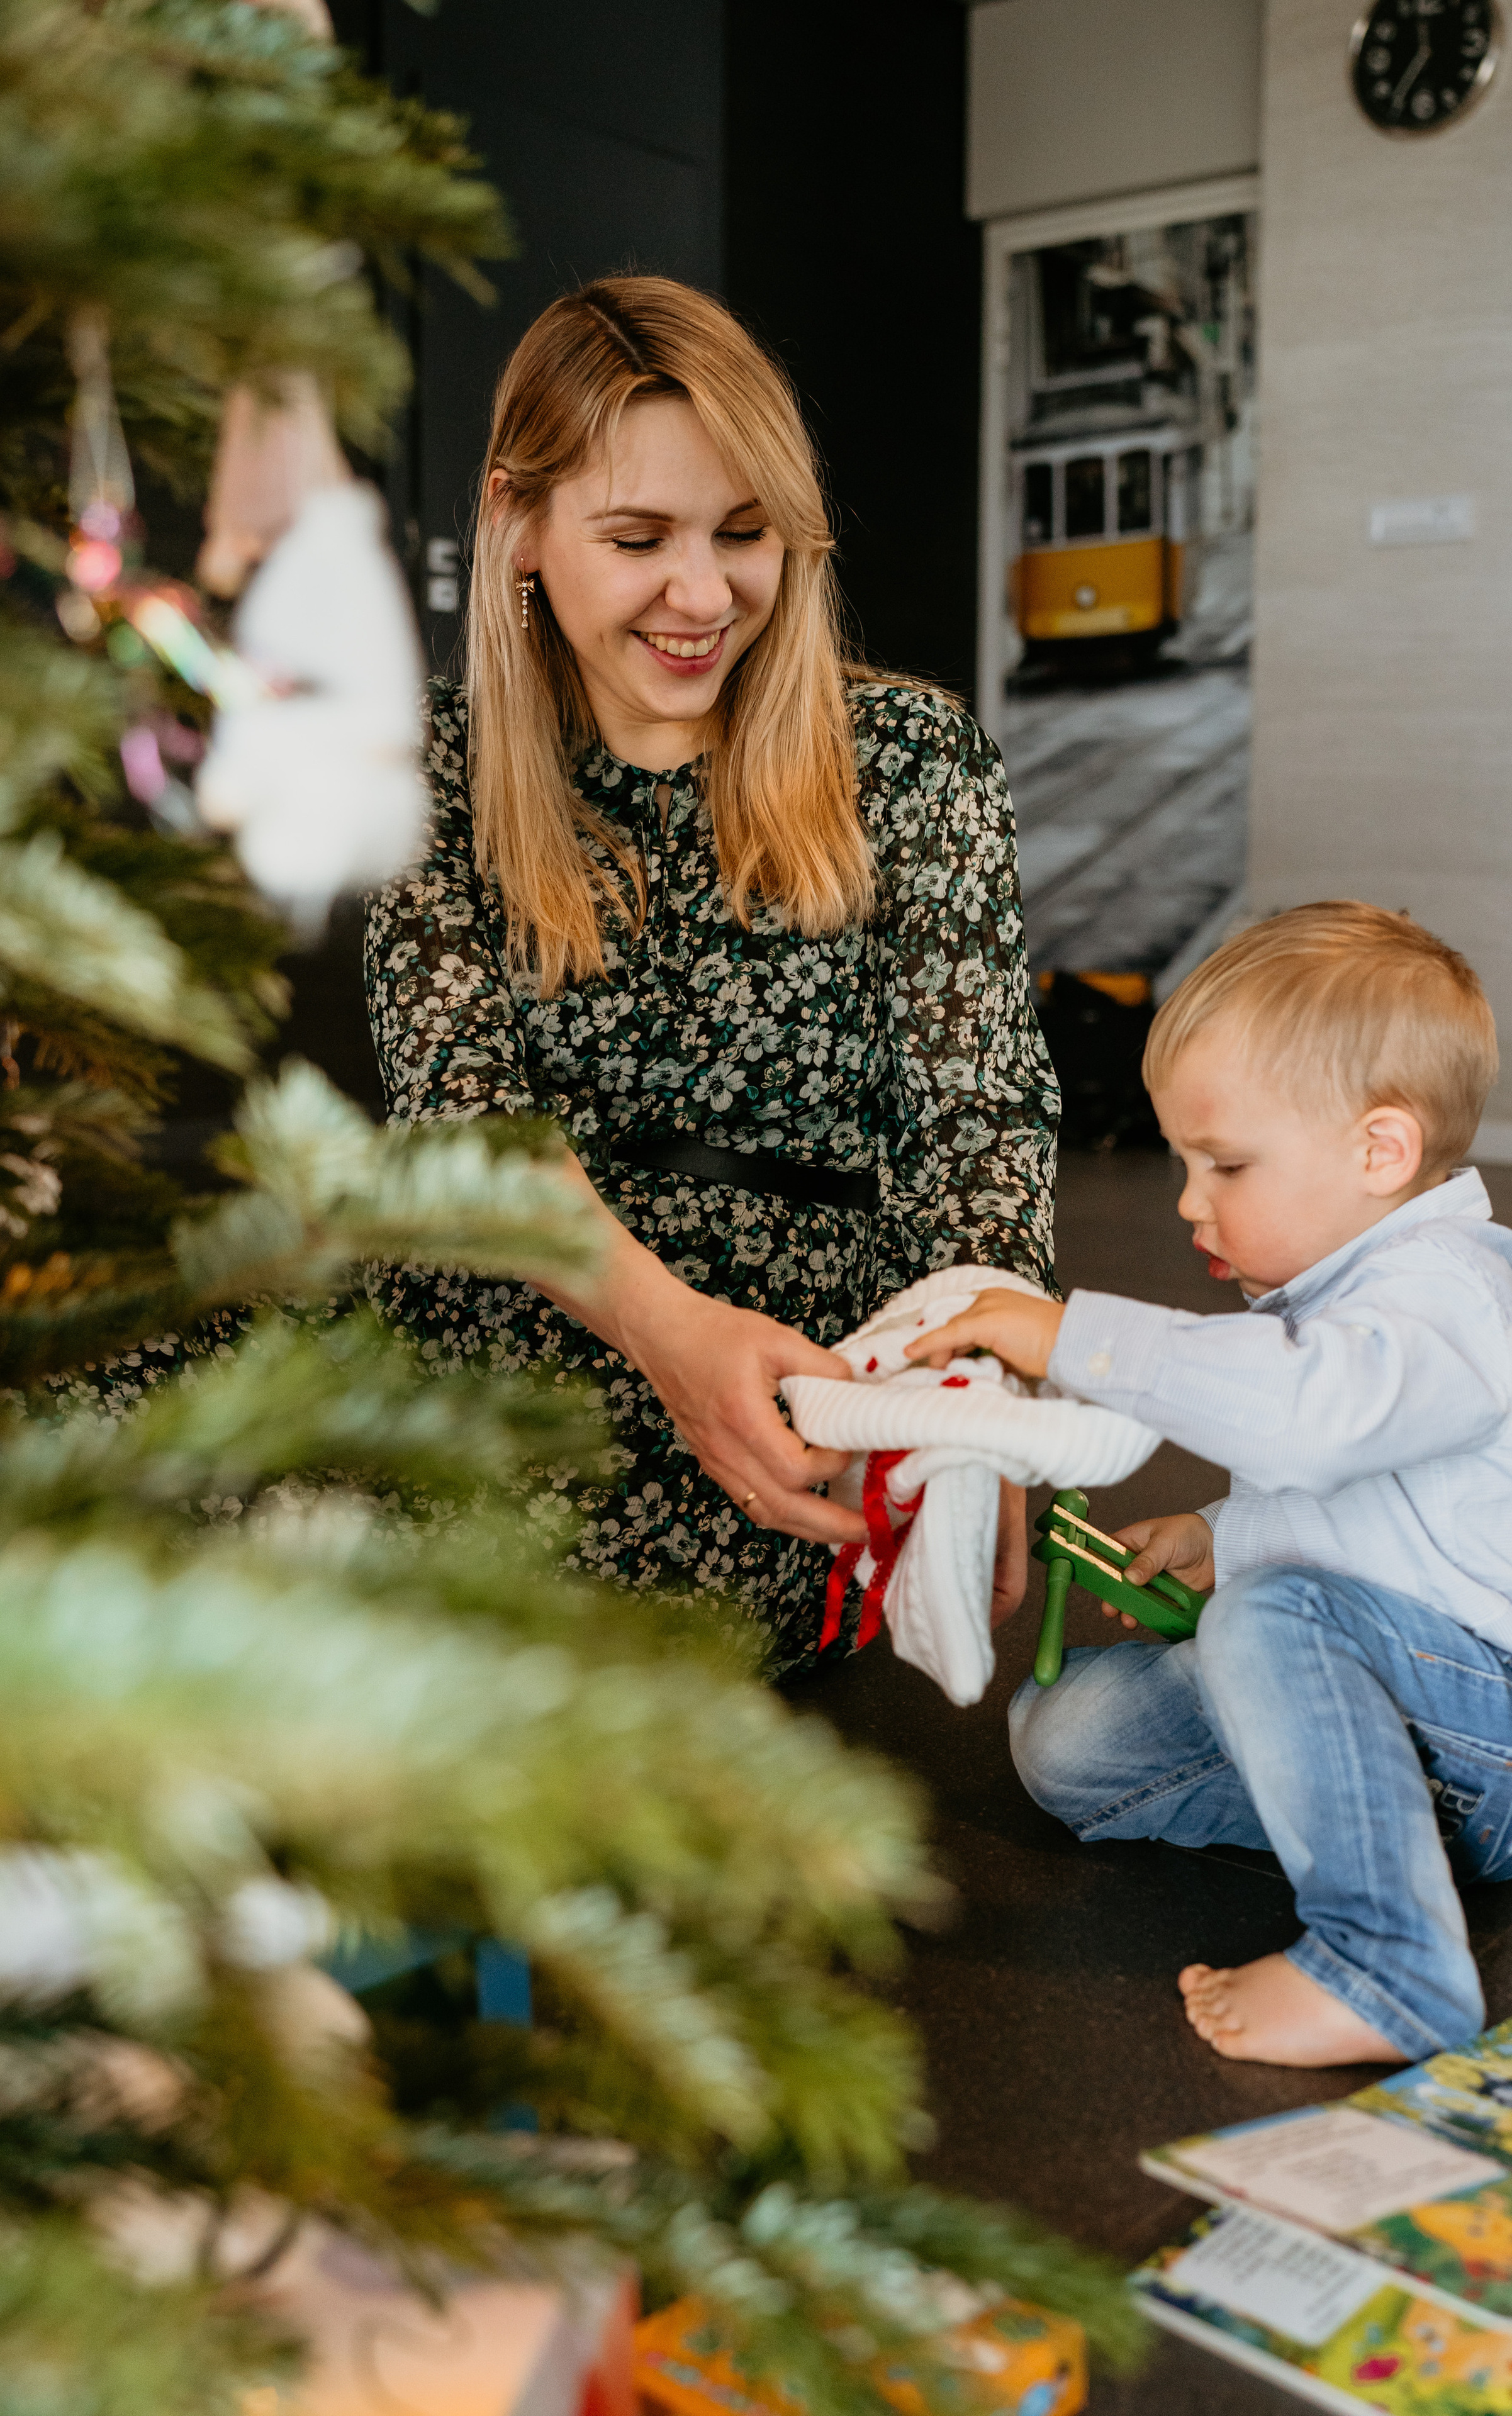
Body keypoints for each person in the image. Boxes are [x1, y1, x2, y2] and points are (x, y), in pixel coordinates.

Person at [364, 276, 1059, 1670]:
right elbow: (463, 1116)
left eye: (743, 535)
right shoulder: (424, 767)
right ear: (516, 522)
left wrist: (971, 1402)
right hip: (514, 1310)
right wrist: (662, 1333)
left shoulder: (911, 763)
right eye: (638, 538)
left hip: (805, 1372)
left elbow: (975, 1122)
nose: (704, 595)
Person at [905, 902, 1512, 2068]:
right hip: (1425, 1725)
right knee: (1064, 1743)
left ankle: (1388, 1962)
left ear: (1380, 1152)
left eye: (1225, 1164)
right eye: (1185, 1162)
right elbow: (1372, 1512)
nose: (1189, 1200)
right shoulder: (1344, 1296)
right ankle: (1371, 1827)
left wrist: (1075, 1337)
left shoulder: (1445, 1298)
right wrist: (1219, 1536)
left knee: (1270, 1616)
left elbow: (1310, 1418)